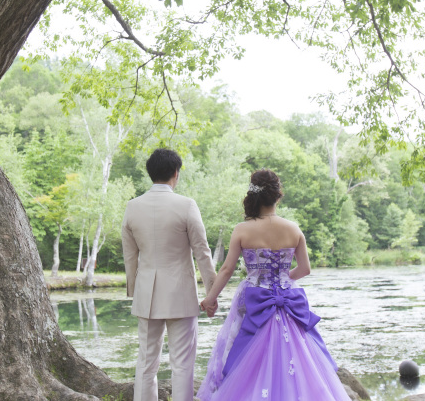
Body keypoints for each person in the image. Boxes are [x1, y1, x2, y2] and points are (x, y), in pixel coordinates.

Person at [197, 169, 351, 401]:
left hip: (255, 300)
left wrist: (210, 299)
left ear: (253, 196)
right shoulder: (294, 229)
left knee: (246, 354)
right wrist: (281, 279)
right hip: (289, 298)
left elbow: (227, 270)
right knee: (298, 356)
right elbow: (305, 269)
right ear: (278, 195)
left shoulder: (242, 229)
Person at [121, 148, 217, 401]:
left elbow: (130, 256)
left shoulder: (132, 207)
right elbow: (202, 252)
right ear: (176, 173)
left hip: (147, 295)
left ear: (150, 173)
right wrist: (212, 292)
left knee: (146, 361)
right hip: (180, 294)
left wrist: (134, 290)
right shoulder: (186, 205)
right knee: (183, 363)